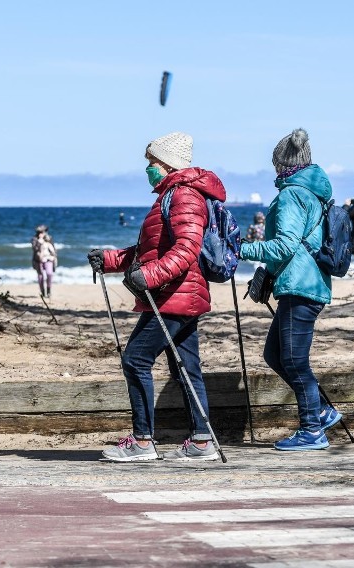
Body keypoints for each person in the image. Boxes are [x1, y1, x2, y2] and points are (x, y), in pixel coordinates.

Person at [87, 132, 226, 462]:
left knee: (135, 359)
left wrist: (148, 277)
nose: (148, 169)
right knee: (186, 370)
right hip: (178, 294)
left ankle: (142, 441)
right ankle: (202, 443)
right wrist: (109, 260)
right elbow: (149, 251)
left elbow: (186, 250)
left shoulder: (184, 197)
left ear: (166, 164)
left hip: (172, 296)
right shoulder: (171, 196)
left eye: (151, 163)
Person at [239, 128, 340, 451]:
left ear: (283, 164)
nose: (273, 171)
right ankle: (321, 412)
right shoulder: (313, 192)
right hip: (305, 284)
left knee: (295, 361)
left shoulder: (292, 195)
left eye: (274, 164)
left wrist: (240, 249)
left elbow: (283, 246)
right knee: (274, 355)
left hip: (301, 286)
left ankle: (312, 429)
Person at [31, 225, 57, 298]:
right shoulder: (34, 239)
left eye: (43, 231)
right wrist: (40, 242)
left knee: (49, 273)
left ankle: (48, 290)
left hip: (49, 259)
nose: (42, 233)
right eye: (40, 232)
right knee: (40, 276)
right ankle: (42, 292)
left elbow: (53, 249)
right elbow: (35, 249)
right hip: (38, 260)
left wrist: (54, 257)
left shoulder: (49, 238)